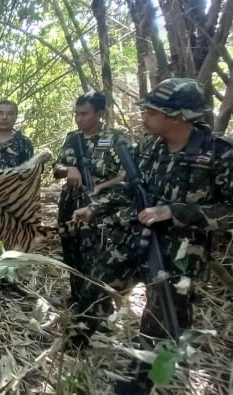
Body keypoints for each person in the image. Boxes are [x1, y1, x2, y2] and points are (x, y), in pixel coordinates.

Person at [72, 78, 233, 393]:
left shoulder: (219, 153)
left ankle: (142, 380)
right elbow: (132, 189)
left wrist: (176, 211)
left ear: (179, 117)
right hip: (134, 236)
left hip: (181, 252)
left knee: (163, 318)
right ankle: (74, 340)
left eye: (151, 112)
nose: (143, 116)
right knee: (97, 286)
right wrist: (96, 209)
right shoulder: (149, 146)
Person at [53, 92, 129, 307]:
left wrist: (101, 187)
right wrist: (69, 169)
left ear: (100, 113)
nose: (79, 118)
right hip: (70, 203)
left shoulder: (116, 139)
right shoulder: (72, 138)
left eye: (84, 114)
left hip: (102, 208)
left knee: (97, 257)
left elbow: (127, 173)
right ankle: (76, 298)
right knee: (71, 252)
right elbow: (56, 168)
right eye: (76, 114)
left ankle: (98, 309)